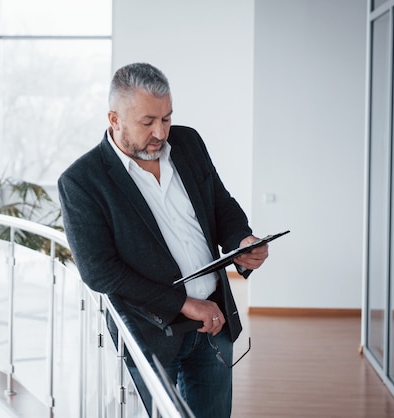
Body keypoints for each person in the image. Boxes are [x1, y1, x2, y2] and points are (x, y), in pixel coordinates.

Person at [57, 62, 268, 418]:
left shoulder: (188, 143)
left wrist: (240, 241)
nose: (160, 132)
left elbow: (220, 206)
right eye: (147, 122)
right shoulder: (82, 181)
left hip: (214, 324)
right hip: (151, 335)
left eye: (166, 118)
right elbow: (99, 272)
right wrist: (183, 303)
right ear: (114, 119)